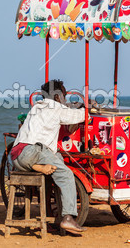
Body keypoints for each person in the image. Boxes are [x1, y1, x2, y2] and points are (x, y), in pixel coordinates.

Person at [10, 79, 87, 235]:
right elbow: (79, 116)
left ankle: (40, 167)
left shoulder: (37, 107)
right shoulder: (56, 107)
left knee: (55, 157)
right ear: (58, 97)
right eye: (64, 96)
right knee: (66, 175)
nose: (65, 99)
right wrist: (87, 107)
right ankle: (67, 218)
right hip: (33, 151)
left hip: (17, 156)